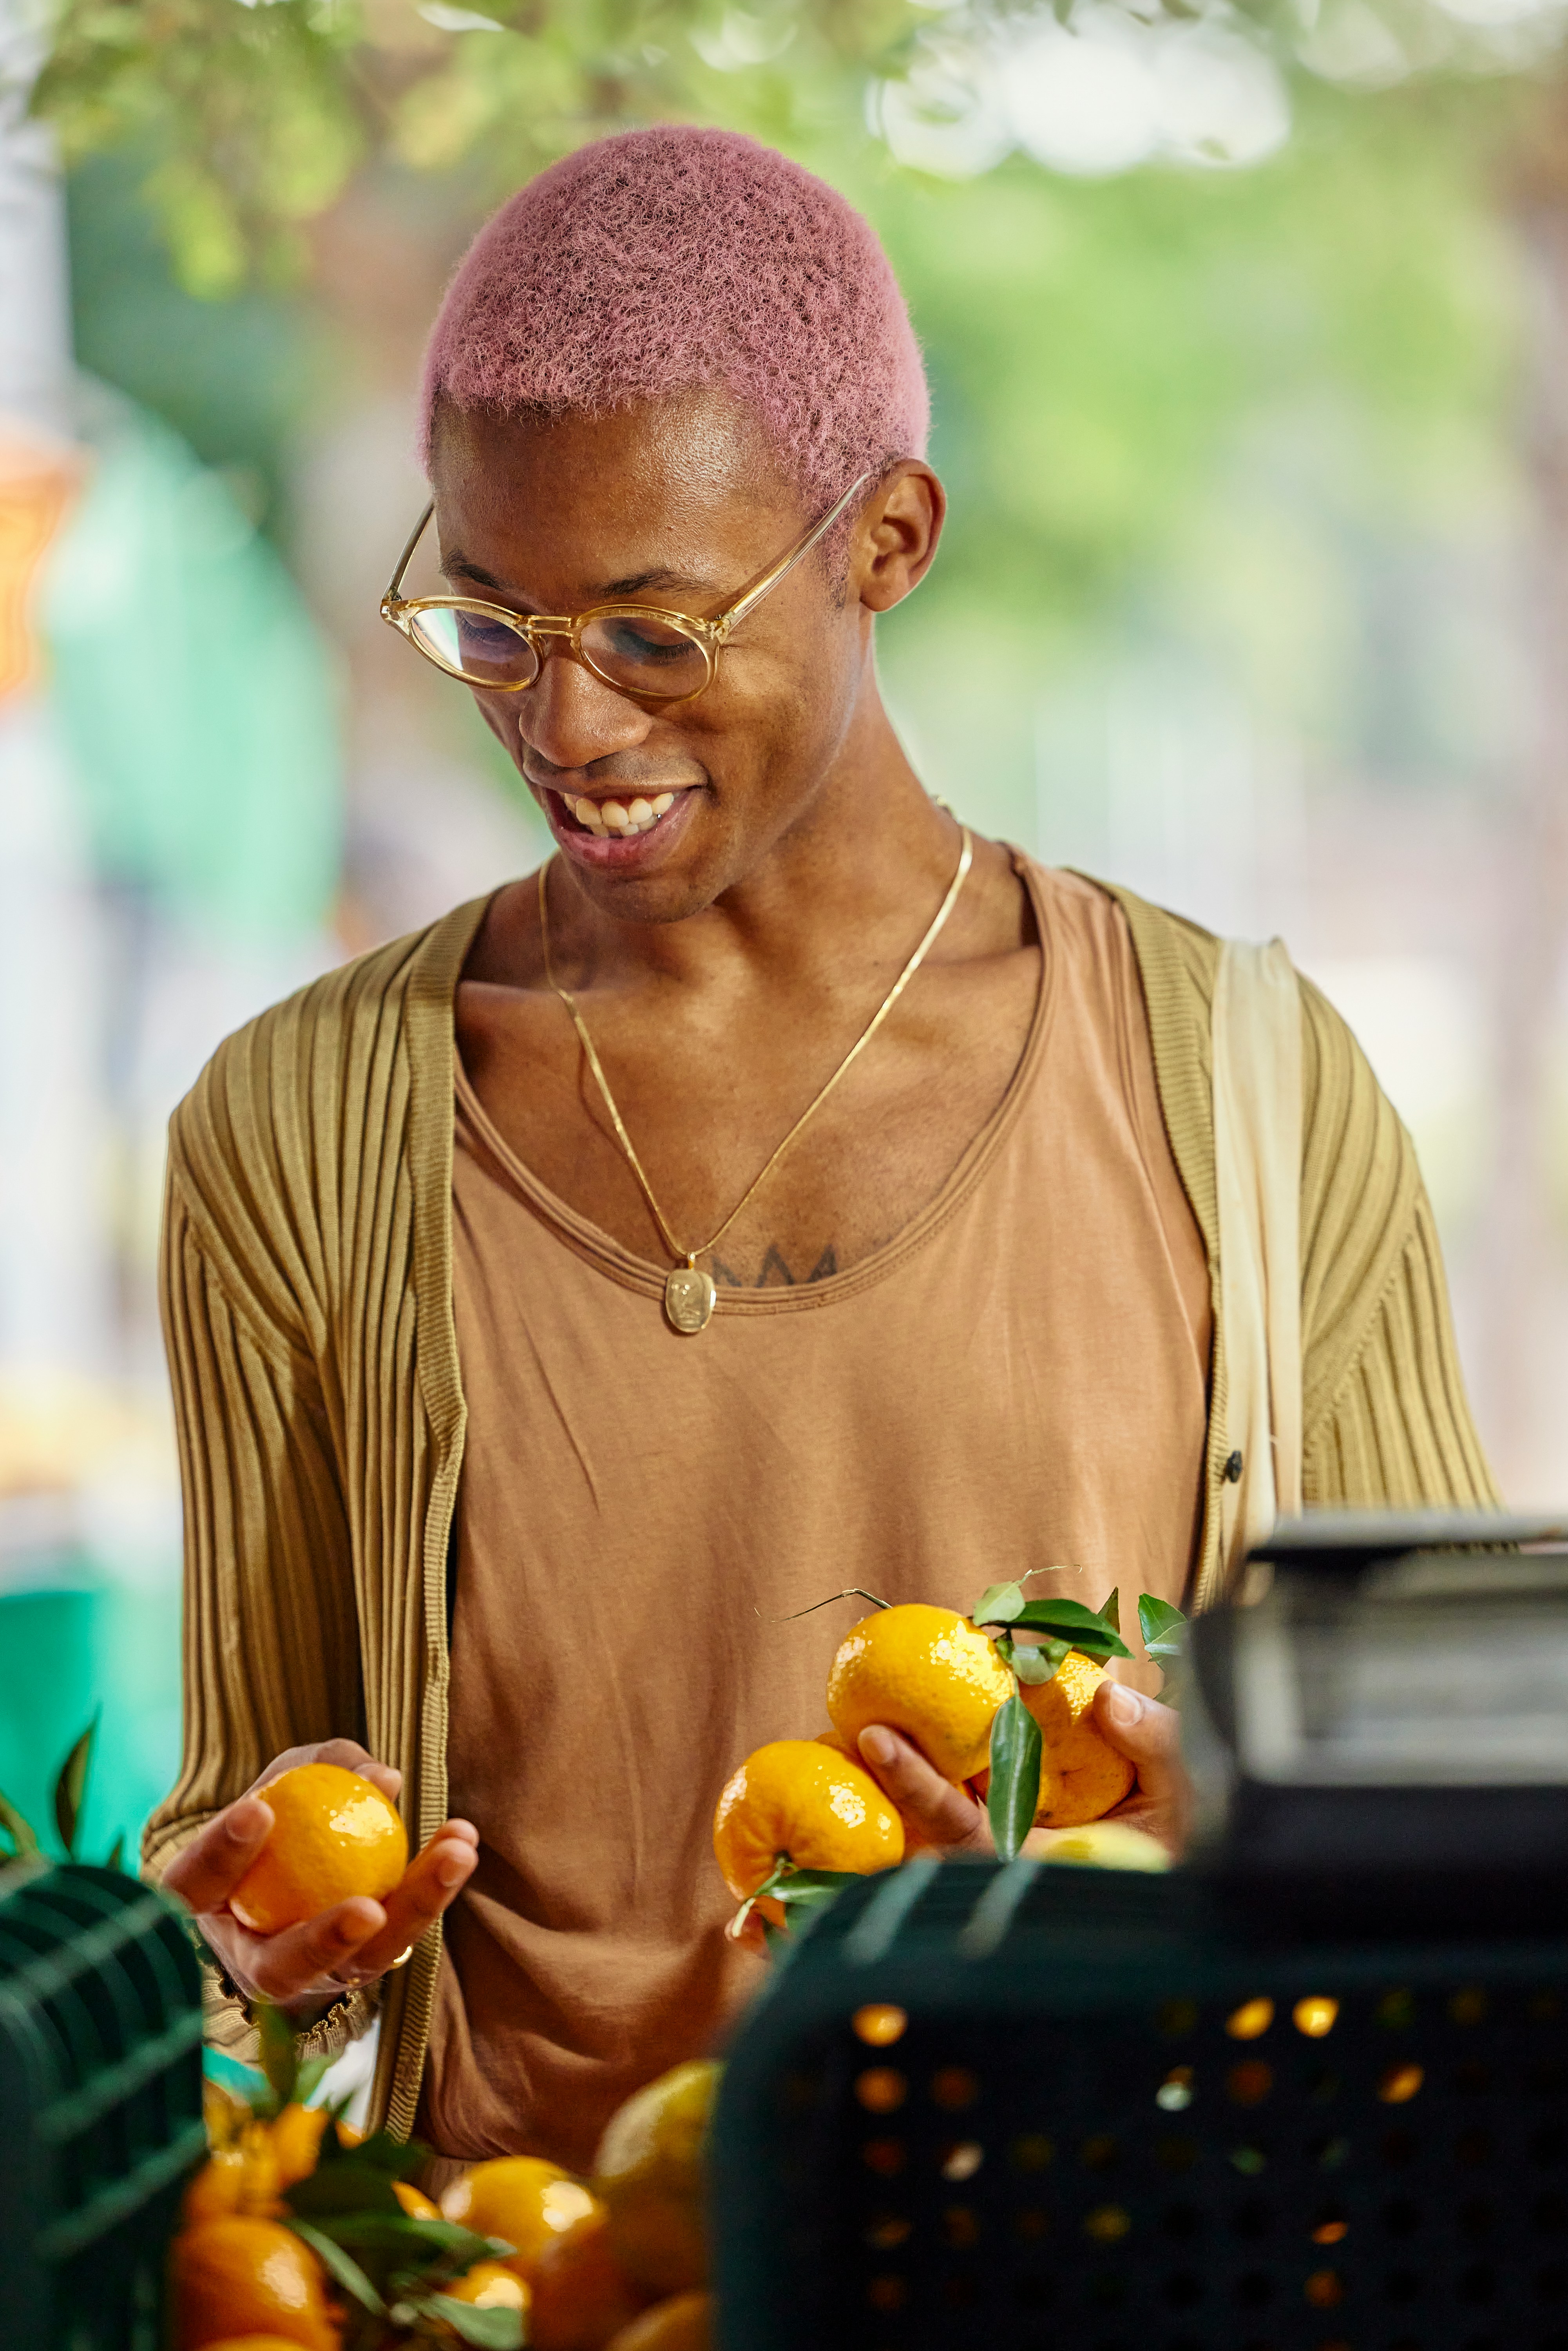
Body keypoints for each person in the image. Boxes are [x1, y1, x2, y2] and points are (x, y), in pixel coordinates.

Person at [147, 128, 1497, 2167]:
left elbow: (1470, 1821)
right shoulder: (297, 1124)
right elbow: (247, 1825)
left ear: (885, 540)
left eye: (655, 631)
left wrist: (1193, 1831)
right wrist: (237, 1938)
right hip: (539, 2284)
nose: (565, 728)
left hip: (1091, 2263)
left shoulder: (1248, 1089)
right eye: (490, 624)